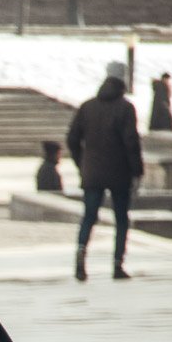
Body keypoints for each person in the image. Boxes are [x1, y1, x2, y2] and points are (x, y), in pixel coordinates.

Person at [67, 61, 143, 281]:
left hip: (92, 171)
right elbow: (131, 142)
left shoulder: (88, 106)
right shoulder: (126, 108)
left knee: (89, 216)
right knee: (121, 219)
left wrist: (82, 163)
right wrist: (137, 171)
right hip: (120, 172)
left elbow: (72, 139)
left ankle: (81, 251)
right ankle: (118, 264)